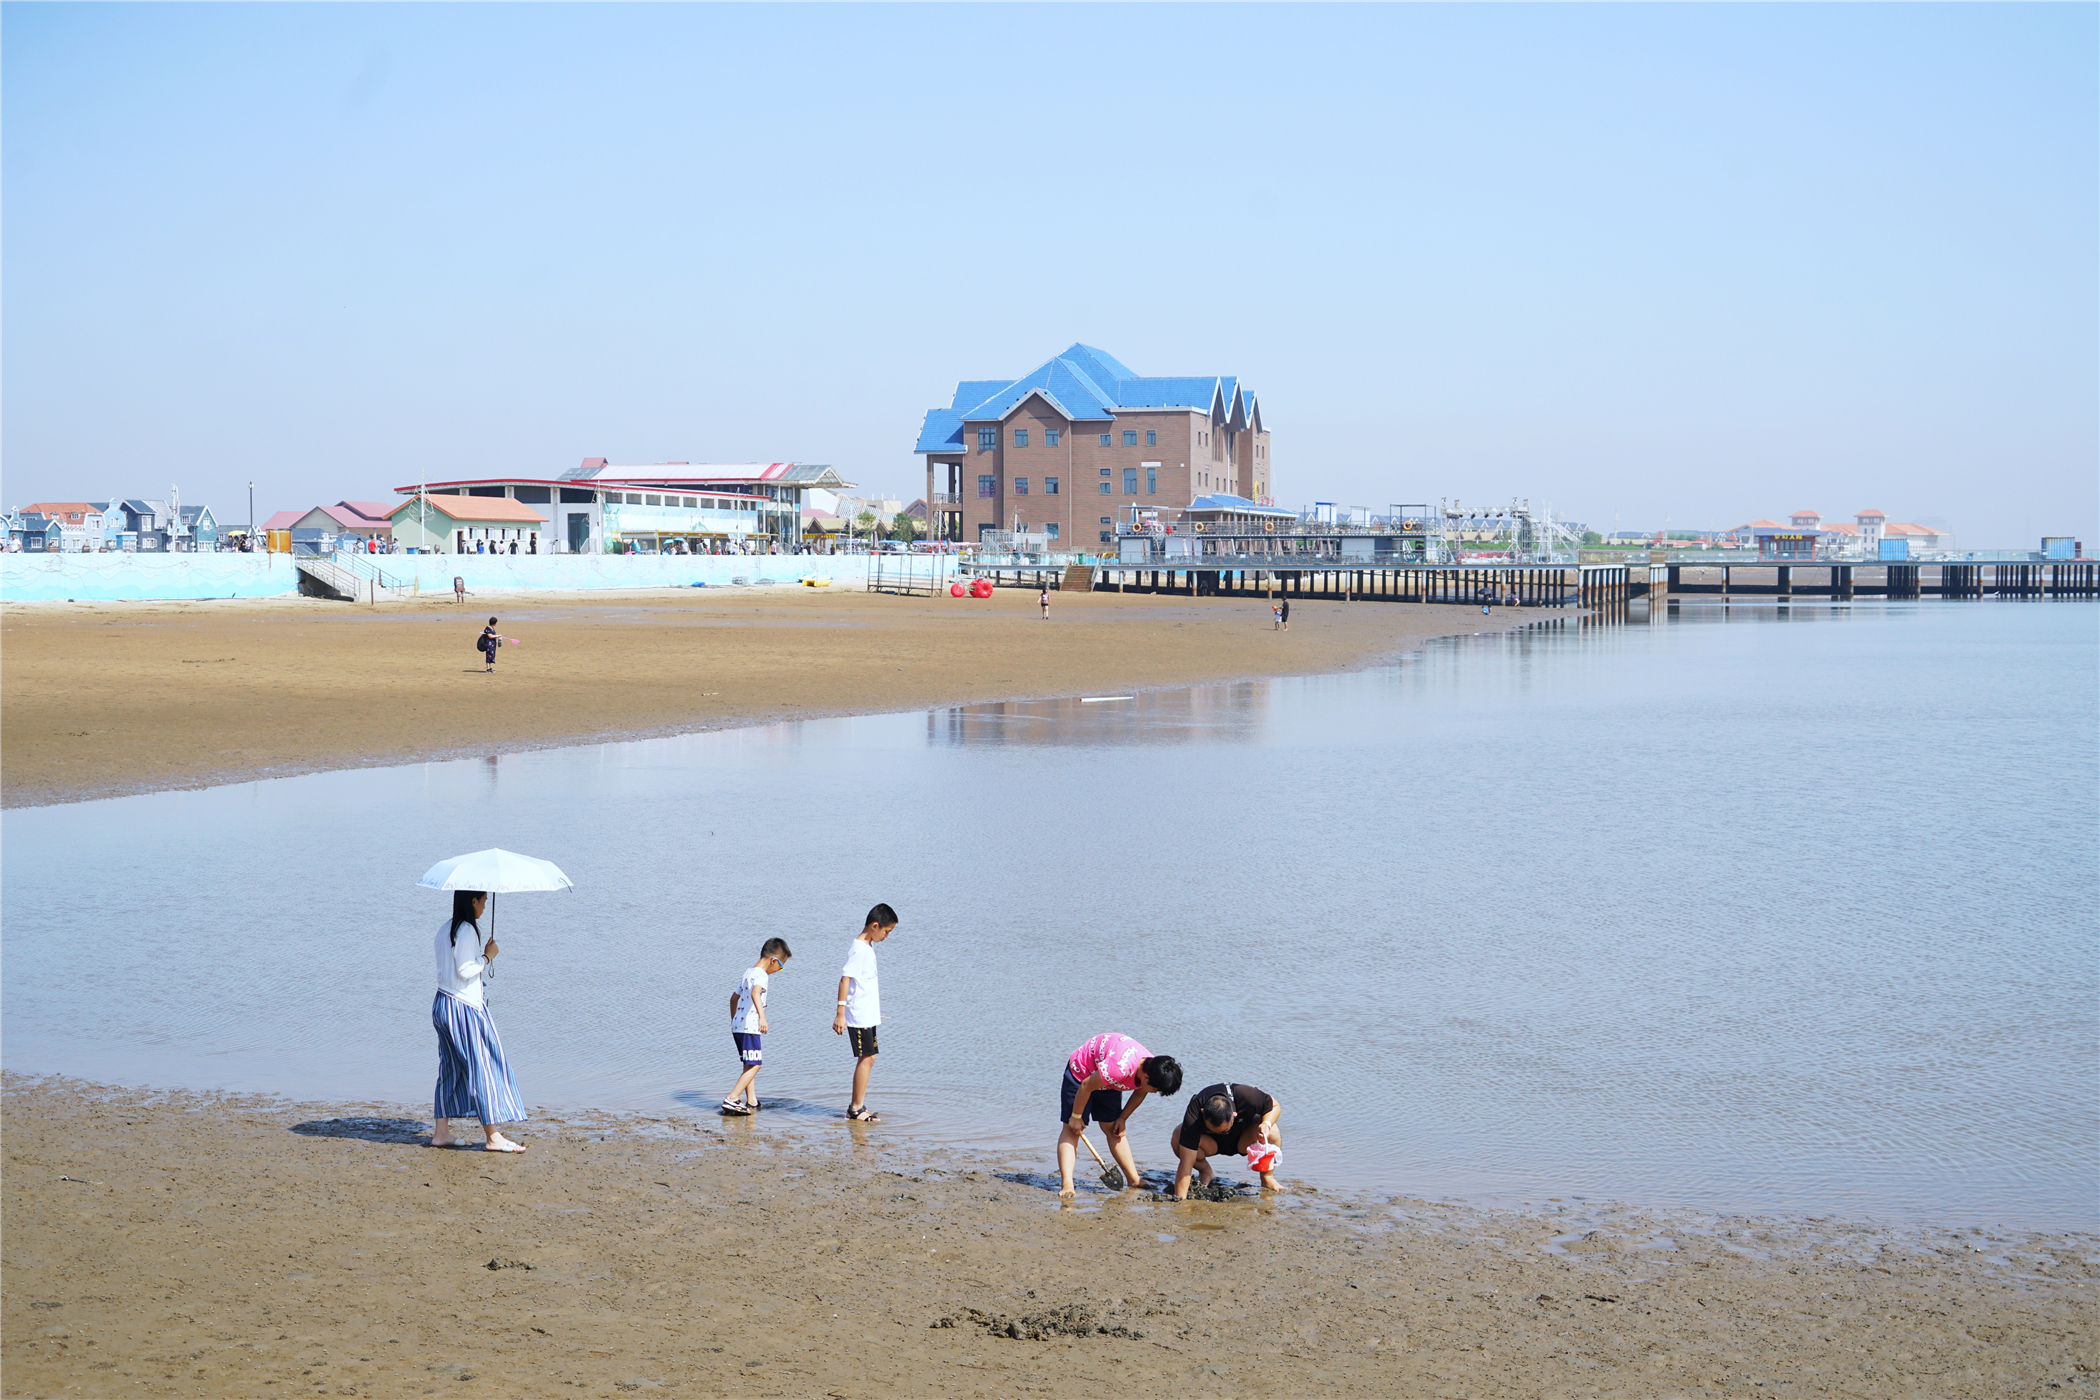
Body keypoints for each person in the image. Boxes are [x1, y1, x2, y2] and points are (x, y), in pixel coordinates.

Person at [430, 890, 528, 1152]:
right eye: (483, 901)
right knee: (482, 1066)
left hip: (442, 1005)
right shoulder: (466, 931)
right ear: (472, 901)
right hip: (463, 1008)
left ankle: (441, 1133)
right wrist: (487, 957)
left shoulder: (444, 929)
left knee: (449, 1069)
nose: (485, 906)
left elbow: (449, 969)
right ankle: (493, 1136)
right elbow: (464, 970)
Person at [1057, 1033, 1183, 1196]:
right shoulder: (1119, 1069)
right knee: (1071, 1130)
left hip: (1107, 1082)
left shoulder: (1153, 1067)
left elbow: (1140, 1092)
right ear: (1145, 1077)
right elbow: (1087, 1085)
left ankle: (1133, 1179)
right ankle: (1067, 1184)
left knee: (1114, 1129)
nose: (1154, 1092)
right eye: (1155, 1089)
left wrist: (1123, 1118)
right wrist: (1076, 1116)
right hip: (1082, 1074)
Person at [831, 903, 898, 1122]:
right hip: (858, 1014)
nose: (886, 936)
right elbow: (845, 979)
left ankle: (858, 1105)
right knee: (866, 1058)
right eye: (886, 932)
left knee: (869, 1058)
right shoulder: (859, 949)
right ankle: (855, 1108)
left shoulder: (867, 947)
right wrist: (840, 1013)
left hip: (868, 1015)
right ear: (875, 926)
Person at [1170, 1082, 1281, 1197]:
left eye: (1224, 1130)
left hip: (1243, 1139)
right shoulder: (1194, 1111)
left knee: (1272, 1131)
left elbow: (1274, 1106)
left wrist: (1266, 1124)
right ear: (1203, 1112)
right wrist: (1180, 1201)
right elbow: (1186, 1162)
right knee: (1179, 1137)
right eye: (1214, 1130)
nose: (1219, 1133)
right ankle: (1206, 1172)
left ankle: (1267, 1177)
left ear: (1234, 1114)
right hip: (1210, 1144)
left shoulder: (1248, 1096)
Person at [721, 938, 792, 1116]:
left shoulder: (748, 972)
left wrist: (734, 1020)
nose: (780, 971)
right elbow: (755, 993)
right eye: (781, 966)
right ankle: (732, 1098)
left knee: (748, 1062)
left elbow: (733, 999)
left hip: (738, 1025)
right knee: (756, 1065)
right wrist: (762, 1017)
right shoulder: (762, 975)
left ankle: (751, 1100)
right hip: (750, 1026)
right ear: (774, 960)